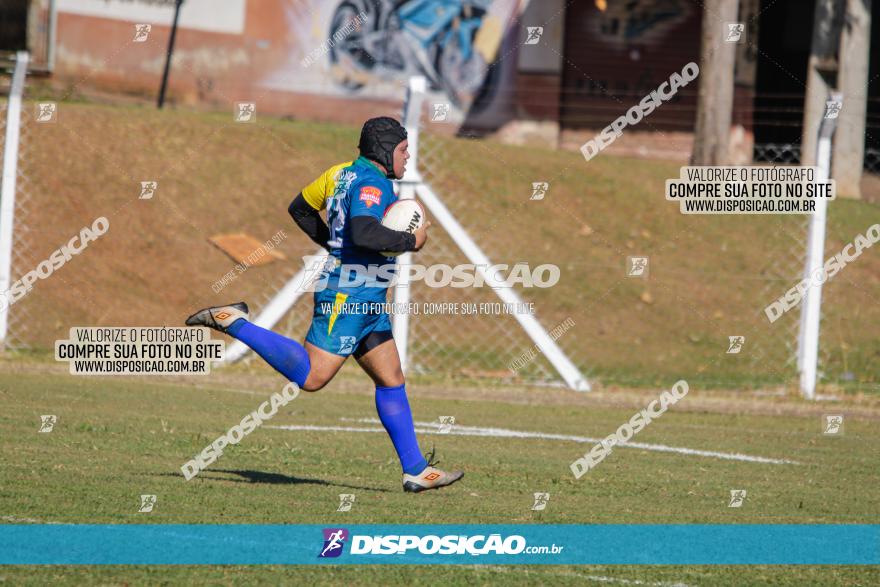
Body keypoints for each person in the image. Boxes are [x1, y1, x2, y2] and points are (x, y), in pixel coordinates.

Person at [186, 117, 463, 493]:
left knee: (391, 377)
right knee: (313, 377)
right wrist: (410, 241)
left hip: (369, 296)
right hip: (348, 295)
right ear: (384, 150)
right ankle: (233, 321)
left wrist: (333, 247)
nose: (408, 155)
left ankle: (415, 469)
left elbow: (299, 208)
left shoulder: (339, 174)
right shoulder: (372, 184)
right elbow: (364, 232)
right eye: (402, 149)